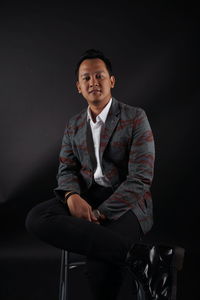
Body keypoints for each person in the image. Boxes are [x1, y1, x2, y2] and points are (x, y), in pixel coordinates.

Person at [26, 49, 155, 300]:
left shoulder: (135, 117)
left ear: (112, 81)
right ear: (78, 87)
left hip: (129, 203)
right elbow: (66, 169)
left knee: (100, 266)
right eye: (86, 78)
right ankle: (143, 258)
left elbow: (141, 178)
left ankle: (119, 252)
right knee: (36, 217)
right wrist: (72, 196)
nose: (93, 82)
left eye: (99, 76)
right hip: (87, 197)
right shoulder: (73, 124)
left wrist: (100, 213)